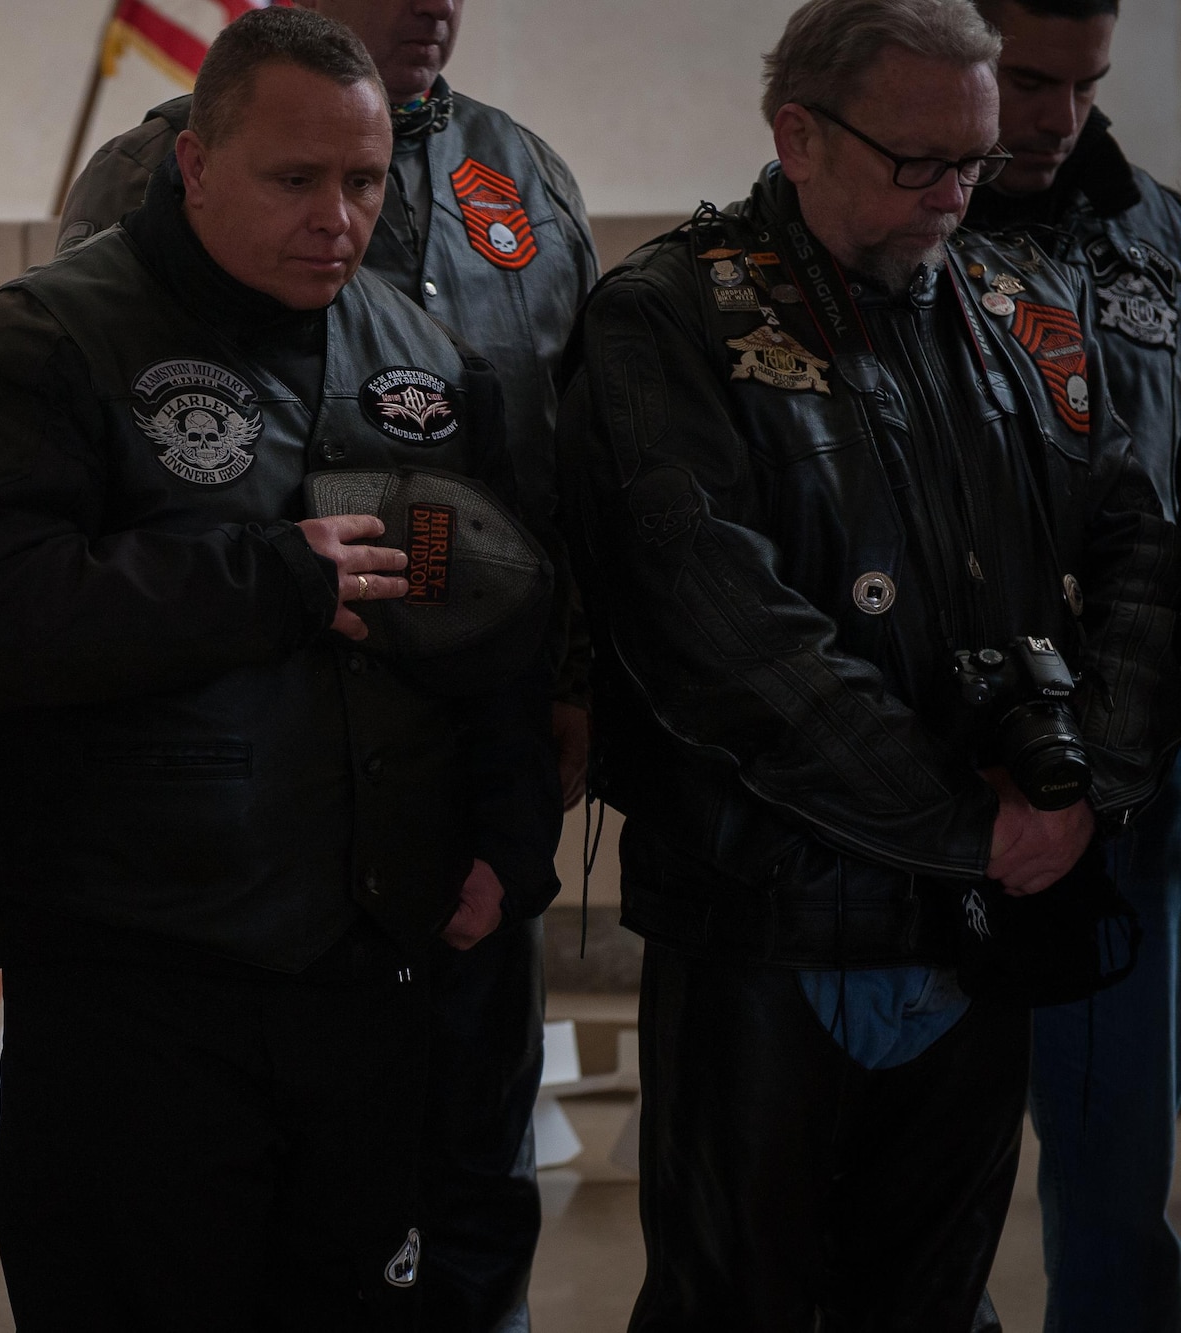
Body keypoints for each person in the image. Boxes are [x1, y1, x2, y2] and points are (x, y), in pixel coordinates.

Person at [0, 9, 551, 1329]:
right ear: (194, 162)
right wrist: (267, 582)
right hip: (143, 975)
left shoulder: (416, 355)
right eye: (294, 178)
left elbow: (490, 620)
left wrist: (507, 831)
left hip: (366, 964)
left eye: (364, 182)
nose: (338, 217)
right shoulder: (45, 344)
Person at [555, 0, 1179, 1326]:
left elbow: (1140, 544)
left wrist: (1083, 788)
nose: (957, 197)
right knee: (742, 1301)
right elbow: (726, 638)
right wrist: (976, 822)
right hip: (769, 925)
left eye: (975, 159)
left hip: (985, 920)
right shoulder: (668, 319)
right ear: (798, 132)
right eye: (917, 164)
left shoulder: (1027, 307)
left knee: (938, 1301)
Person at [60, 4, 596, 1322]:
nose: (435, 5)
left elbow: (566, 482)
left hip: (474, 759)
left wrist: (560, 708)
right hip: (262, 808)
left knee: (472, 1182)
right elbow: (111, 506)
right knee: (271, 1220)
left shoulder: (519, 179)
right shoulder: (150, 171)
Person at [963, 2, 1181, 1328]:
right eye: (1025, 80)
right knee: (933, 1151)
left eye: (1085, 83)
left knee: (1117, 1142)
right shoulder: (879, 221)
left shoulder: (1158, 230)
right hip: (972, 756)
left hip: (1143, 757)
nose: (1056, 118)